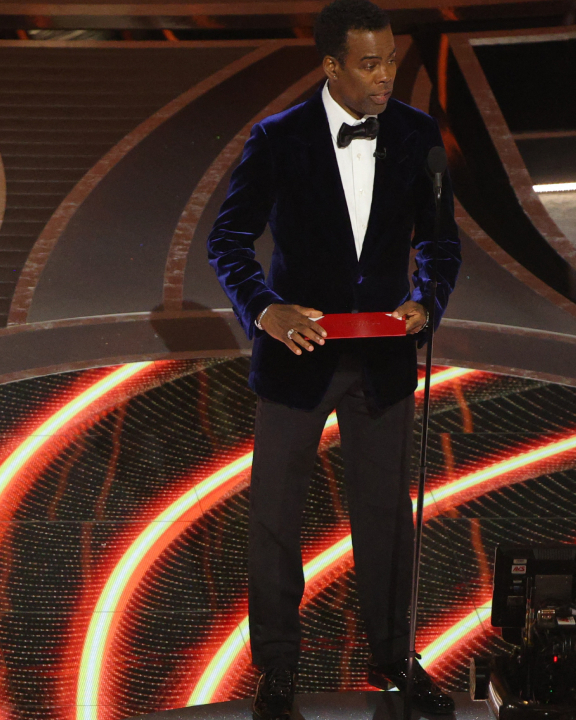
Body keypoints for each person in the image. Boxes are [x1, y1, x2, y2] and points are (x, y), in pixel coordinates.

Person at [206, 0, 462, 717]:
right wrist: (266, 310)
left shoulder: (418, 135)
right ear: (330, 66)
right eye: (369, 64)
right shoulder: (278, 138)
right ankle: (277, 667)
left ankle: (393, 657)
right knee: (275, 517)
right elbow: (228, 239)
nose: (386, 76)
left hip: (382, 358)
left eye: (391, 61)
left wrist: (427, 301)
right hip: (298, 357)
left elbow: (441, 241)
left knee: (385, 517)